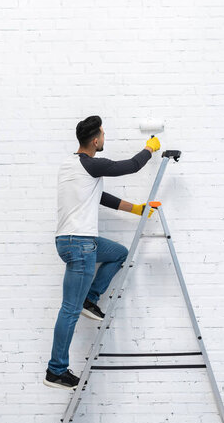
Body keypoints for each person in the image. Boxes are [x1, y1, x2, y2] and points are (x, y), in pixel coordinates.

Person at [44, 115, 160, 390]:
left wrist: (137, 209)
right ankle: (56, 370)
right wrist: (151, 148)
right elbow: (131, 166)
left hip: (70, 241)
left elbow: (100, 197)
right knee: (68, 311)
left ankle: (90, 298)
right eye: (104, 135)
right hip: (81, 244)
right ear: (95, 140)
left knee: (119, 253)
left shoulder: (71, 166)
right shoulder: (92, 164)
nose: (104, 139)